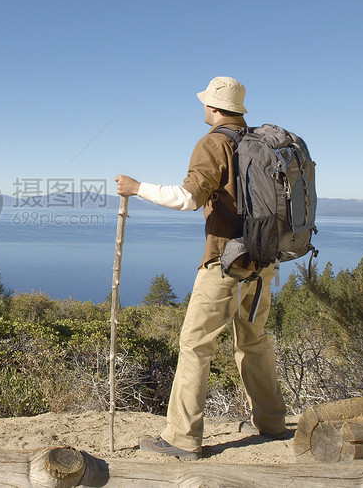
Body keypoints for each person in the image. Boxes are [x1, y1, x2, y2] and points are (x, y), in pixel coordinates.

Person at [114, 76, 287, 460]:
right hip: (263, 262)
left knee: (195, 345)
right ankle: (273, 422)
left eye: (205, 103)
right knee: (254, 341)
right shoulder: (259, 142)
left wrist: (137, 187)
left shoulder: (215, 143)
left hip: (225, 262)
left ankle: (181, 438)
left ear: (212, 107)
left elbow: (188, 198)